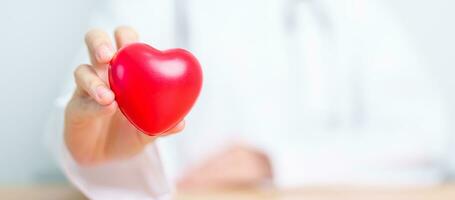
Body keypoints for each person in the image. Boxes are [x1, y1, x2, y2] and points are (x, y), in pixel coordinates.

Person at [46, 0, 450, 199]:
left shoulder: (353, 10)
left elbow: (430, 135)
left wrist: (270, 160)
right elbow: (88, 95)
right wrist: (92, 147)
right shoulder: (141, 7)